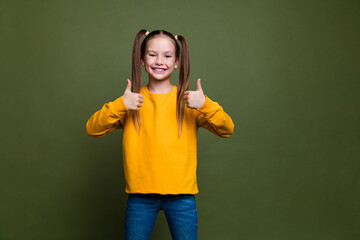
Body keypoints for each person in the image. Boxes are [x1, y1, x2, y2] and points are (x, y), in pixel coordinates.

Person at [86, 29, 234, 240]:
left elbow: (227, 129)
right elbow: (92, 128)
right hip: (140, 199)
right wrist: (121, 104)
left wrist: (206, 105)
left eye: (167, 55)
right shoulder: (132, 102)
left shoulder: (189, 102)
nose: (159, 61)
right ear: (141, 59)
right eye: (152, 54)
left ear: (176, 62)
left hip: (182, 198)